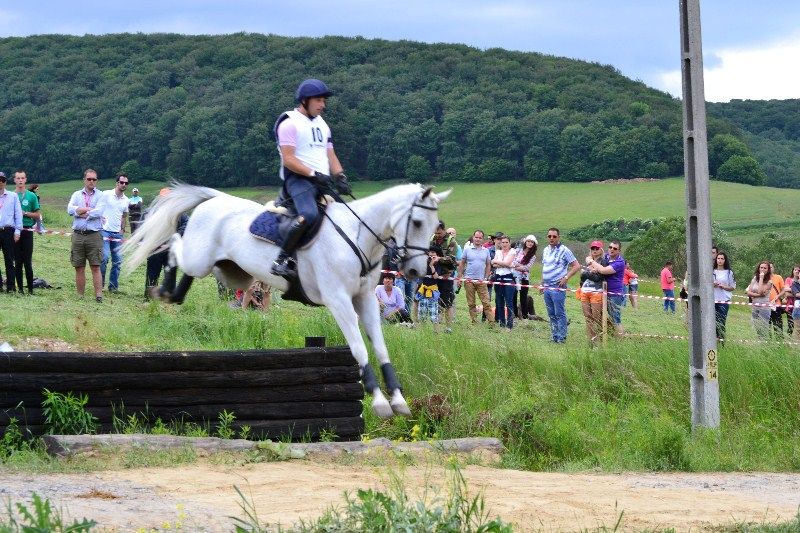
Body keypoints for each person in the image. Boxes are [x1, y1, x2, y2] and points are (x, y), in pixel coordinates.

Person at [271, 78, 351, 278]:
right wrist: (313, 174)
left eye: (324, 101)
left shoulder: (323, 125)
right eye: (319, 101)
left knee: (347, 216)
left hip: (321, 182)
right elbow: (289, 159)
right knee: (310, 214)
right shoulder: (289, 123)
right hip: (298, 181)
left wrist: (340, 175)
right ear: (305, 100)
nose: (323, 105)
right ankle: (281, 260)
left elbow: (330, 154)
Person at [67, 169, 106, 302]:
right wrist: (88, 210)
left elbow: (99, 212)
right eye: (89, 179)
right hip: (78, 235)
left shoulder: (101, 195)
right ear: (84, 180)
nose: (91, 181)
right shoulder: (76, 194)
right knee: (79, 266)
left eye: (94, 179)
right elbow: (69, 209)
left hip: (94, 235)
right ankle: (80, 296)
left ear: (97, 181)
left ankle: (99, 296)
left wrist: (80, 212)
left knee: (96, 266)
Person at [540, 228, 580, 343]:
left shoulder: (564, 250)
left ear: (559, 237)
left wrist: (566, 278)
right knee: (551, 313)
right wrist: (542, 283)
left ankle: (561, 338)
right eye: (549, 236)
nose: (551, 238)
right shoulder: (546, 250)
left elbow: (576, 266)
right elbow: (545, 267)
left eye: (554, 236)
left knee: (559, 313)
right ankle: (554, 336)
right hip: (547, 286)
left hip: (557, 287)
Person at [587, 239, 626, 335]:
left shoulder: (620, 262)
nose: (612, 249)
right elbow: (596, 265)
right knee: (601, 316)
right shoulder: (606, 257)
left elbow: (603, 270)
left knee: (615, 318)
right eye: (610, 247)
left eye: (615, 248)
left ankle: (619, 341)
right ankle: (607, 335)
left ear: (619, 251)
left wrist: (591, 261)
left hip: (614, 294)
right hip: (602, 292)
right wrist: (592, 265)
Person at [99, 174, 130, 293]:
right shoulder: (106, 194)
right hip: (105, 231)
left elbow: (124, 215)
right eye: (122, 182)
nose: (123, 185)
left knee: (117, 261)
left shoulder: (126, 200)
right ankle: (100, 284)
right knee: (104, 258)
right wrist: (99, 218)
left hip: (117, 234)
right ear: (117, 183)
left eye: (126, 183)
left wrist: (122, 229)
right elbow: (98, 206)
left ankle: (113, 287)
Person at [456, 230, 494, 324]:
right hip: (468, 280)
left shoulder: (486, 251)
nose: (477, 239)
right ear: (473, 237)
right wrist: (460, 277)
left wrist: (486, 277)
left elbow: (488, 264)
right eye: (476, 237)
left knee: (486, 302)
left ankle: (492, 322)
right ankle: (474, 321)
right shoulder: (467, 249)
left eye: (480, 238)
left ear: (482, 239)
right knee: (471, 303)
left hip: (481, 280)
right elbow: (462, 263)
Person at [13, 170, 40, 294]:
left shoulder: (32, 196)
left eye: (22, 178)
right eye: (18, 178)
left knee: (27, 261)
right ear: (14, 180)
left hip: (28, 230)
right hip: (15, 231)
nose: (20, 180)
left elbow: (37, 215)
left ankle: (30, 289)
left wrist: (25, 213)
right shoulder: (11, 196)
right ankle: (19, 289)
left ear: (25, 180)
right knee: (18, 261)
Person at [429, 221, 457, 332]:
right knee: (435, 301)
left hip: (446, 275)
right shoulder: (432, 239)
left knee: (447, 302)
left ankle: (448, 327)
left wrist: (439, 259)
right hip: (434, 275)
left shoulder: (451, 241)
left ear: (444, 230)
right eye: (435, 233)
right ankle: (436, 327)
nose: (437, 235)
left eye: (439, 233)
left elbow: (452, 259)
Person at [578, 240, 606, 345]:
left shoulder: (603, 262)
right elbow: (582, 277)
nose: (594, 250)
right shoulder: (588, 260)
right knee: (587, 317)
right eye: (593, 248)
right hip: (585, 291)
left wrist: (586, 273)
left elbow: (599, 278)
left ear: (601, 250)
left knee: (597, 317)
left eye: (597, 248)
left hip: (596, 291)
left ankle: (600, 341)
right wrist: (588, 273)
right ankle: (591, 341)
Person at [0, 172, 22, 293]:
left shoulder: (13, 196)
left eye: (2, 180)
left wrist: (18, 231)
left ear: (6, 182)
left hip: (8, 231)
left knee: (9, 260)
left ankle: (11, 287)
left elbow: (18, 214)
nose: (0, 182)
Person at [415, 245, 444, 330]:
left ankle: (436, 332)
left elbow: (435, 277)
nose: (431, 255)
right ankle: (421, 332)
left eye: (433, 254)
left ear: (437, 255)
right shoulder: (423, 263)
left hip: (433, 291)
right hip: (423, 290)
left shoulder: (439, 264)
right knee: (421, 315)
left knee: (433, 316)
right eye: (430, 253)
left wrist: (432, 265)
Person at [492, 236, 517, 331]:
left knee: (509, 302)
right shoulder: (498, 252)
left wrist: (496, 261)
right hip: (498, 278)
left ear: (509, 243)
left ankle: (509, 325)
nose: (504, 244)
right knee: (499, 301)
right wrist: (504, 263)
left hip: (508, 278)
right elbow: (493, 264)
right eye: (503, 242)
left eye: (506, 242)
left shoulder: (512, 252)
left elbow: (506, 263)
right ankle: (502, 323)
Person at [712, 251, 736, 342]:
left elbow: (732, 287)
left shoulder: (729, 272)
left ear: (725, 260)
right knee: (712, 322)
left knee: (721, 322)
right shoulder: (712, 271)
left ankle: (721, 341)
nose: (720, 260)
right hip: (713, 299)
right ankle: (713, 341)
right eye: (718, 258)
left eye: (722, 259)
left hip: (723, 300)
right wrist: (712, 284)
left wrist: (724, 287)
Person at [513, 234, 537, 319]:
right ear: (525, 242)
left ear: (534, 244)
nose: (530, 243)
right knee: (514, 296)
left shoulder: (533, 256)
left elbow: (527, 267)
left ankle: (524, 316)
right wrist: (521, 266)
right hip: (515, 277)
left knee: (523, 297)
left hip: (524, 278)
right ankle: (514, 315)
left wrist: (518, 267)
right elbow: (513, 261)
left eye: (532, 242)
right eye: (528, 241)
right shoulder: (518, 250)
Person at [747, 261, 773, 339]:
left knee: (763, 328)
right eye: (761, 267)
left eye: (765, 268)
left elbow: (760, 291)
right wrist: (757, 295)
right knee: (757, 327)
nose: (762, 269)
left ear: (768, 270)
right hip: (755, 306)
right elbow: (749, 292)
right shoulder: (755, 278)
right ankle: (761, 343)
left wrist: (761, 278)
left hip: (764, 307)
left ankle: (765, 343)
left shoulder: (769, 282)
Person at [781, 265, 800, 337]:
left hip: (797, 304)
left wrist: (792, 291)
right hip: (790, 305)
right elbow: (786, 292)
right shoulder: (789, 279)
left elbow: (790, 291)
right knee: (791, 324)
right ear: (793, 271)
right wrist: (795, 293)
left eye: (798, 270)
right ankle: (789, 339)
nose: (797, 271)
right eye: (795, 270)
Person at [768, 263, 785, 337]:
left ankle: (779, 343)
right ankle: (767, 342)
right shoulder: (762, 278)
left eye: (771, 267)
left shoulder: (778, 277)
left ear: (773, 268)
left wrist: (778, 296)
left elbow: (783, 290)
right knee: (766, 326)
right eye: (768, 267)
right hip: (765, 305)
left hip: (776, 304)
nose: (770, 269)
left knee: (778, 325)